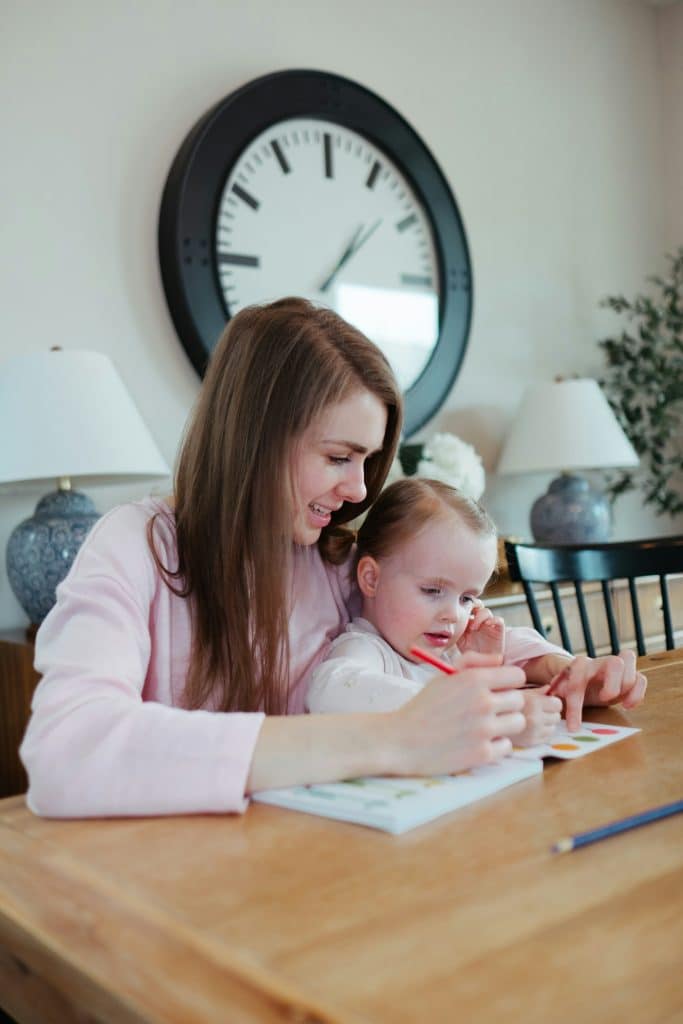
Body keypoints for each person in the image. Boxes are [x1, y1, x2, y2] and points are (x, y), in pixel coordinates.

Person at [17, 298, 634, 820]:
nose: (361, 490)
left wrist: (556, 664)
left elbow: (442, 617)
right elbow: (65, 749)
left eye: (367, 461)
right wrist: (394, 737)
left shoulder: (334, 558)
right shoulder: (135, 545)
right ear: (256, 438)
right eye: (340, 457)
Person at [306, 478, 647, 739]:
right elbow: (330, 689)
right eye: (432, 590)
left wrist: (576, 672)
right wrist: (491, 713)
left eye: (467, 597)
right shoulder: (367, 648)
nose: (453, 614)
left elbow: (518, 644)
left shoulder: (450, 646)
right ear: (370, 578)